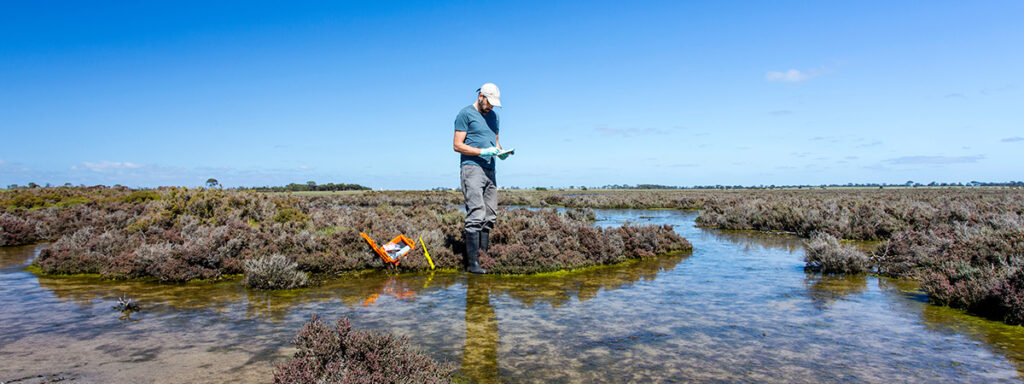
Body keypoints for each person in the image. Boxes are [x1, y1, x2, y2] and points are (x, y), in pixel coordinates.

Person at [453, 83, 511, 274]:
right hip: (472, 168)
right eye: (490, 103)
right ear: (481, 96)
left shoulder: (494, 117)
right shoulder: (465, 114)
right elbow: (457, 145)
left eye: (495, 104)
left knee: (490, 213)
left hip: (490, 169)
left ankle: (483, 256)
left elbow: (495, 142)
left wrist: (501, 152)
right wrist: (482, 151)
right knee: (476, 212)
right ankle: (472, 264)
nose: (491, 107)